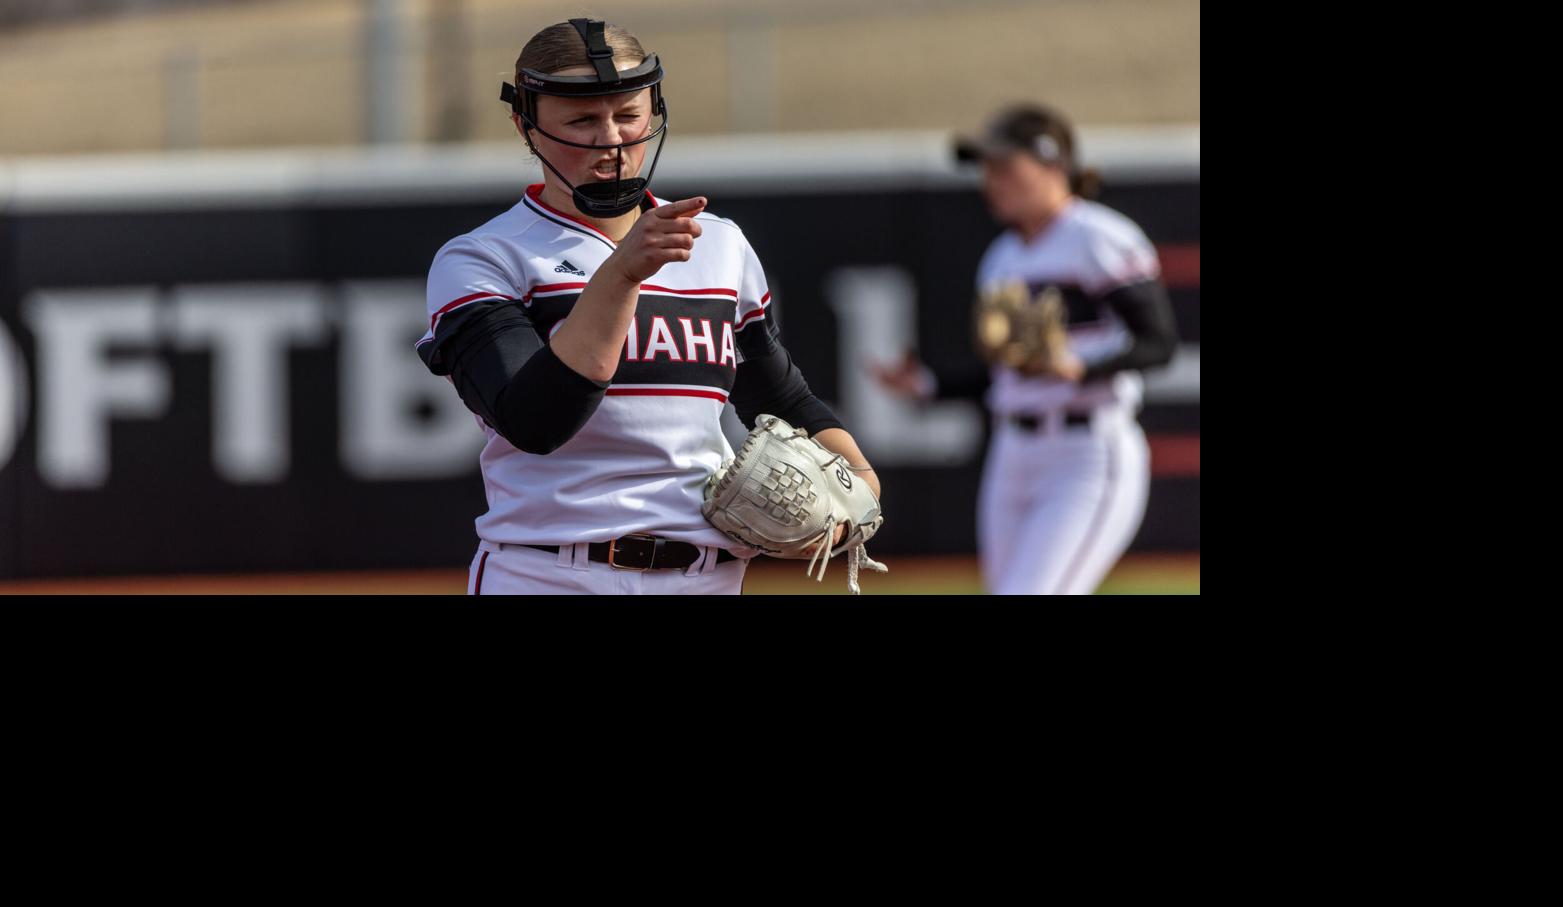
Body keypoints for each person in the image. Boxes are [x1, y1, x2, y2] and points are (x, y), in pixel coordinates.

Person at [416, 18, 880, 595]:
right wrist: (622, 274)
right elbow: (534, 421)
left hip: (706, 577)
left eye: (628, 115)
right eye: (582, 119)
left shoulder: (718, 244)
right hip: (549, 573)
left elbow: (778, 396)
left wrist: (859, 482)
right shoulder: (482, 259)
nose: (611, 139)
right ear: (526, 125)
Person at [872, 104, 1178, 595]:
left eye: (1005, 167)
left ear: (1053, 166)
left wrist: (1079, 366)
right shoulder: (1003, 257)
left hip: (1086, 451)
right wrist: (929, 384)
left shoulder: (1100, 237)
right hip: (1013, 451)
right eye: (986, 169)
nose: (990, 181)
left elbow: (1158, 343)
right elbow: (1007, 375)